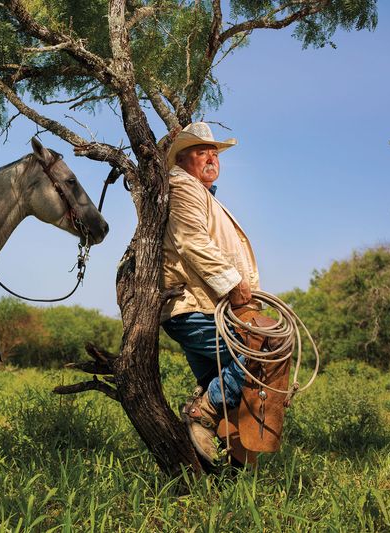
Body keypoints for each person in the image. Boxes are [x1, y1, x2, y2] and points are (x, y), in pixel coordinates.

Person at [160, 122, 259, 463]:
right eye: (202, 152)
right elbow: (192, 242)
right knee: (260, 355)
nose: (211, 158)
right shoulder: (183, 185)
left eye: (214, 153)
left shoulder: (203, 194)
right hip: (195, 305)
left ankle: (221, 467)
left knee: (226, 386)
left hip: (203, 306)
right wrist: (233, 284)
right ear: (183, 160)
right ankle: (201, 412)